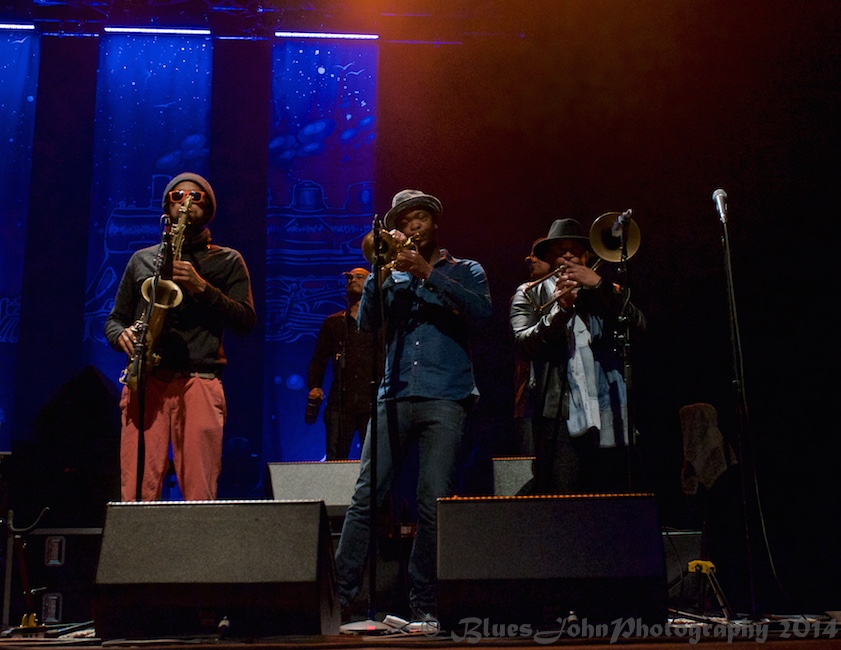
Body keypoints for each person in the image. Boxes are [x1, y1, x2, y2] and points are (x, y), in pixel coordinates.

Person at [334, 189, 492, 621]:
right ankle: (338, 597)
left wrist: (427, 273)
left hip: (447, 395)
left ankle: (424, 601)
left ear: (434, 224)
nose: (411, 227)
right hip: (394, 394)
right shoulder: (390, 274)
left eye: (419, 218)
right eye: (404, 223)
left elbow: (481, 314)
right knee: (366, 497)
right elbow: (366, 324)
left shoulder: (467, 270)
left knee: (434, 500)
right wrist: (377, 274)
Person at [104, 172, 256, 501]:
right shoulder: (142, 259)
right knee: (137, 489)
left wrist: (202, 287)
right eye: (177, 195)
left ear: (209, 207)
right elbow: (115, 319)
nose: (186, 200)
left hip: (198, 380)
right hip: (146, 382)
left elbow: (245, 321)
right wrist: (122, 335)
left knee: (199, 490)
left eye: (196, 195)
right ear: (166, 208)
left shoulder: (227, 260)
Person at [509, 217, 645, 494]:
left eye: (575, 249)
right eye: (561, 250)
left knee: (611, 495)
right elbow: (525, 343)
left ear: (587, 255)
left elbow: (640, 327)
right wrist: (561, 310)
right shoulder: (529, 293)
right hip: (558, 413)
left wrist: (600, 286)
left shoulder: (606, 291)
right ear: (549, 257)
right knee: (564, 493)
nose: (569, 254)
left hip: (608, 408)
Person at [306, 267, 377, 460]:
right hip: (340, 403)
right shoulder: (333, 323)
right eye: (349, 277)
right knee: (335, 457)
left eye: (359, 277)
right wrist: (315, 386)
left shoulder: (380, 322)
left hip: (372, 403)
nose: (352, 279)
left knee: (372, 460)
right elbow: (319, 359)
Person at [511, 238, 551, 457]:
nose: (529, 259)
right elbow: (525, 340)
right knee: (533, 465)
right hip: (531, 397)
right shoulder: (526, 293)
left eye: (537, 254)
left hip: (567, 401)